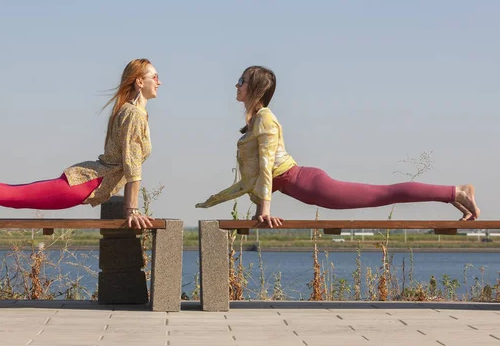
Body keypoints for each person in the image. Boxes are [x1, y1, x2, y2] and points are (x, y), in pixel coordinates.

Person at [196, 65, 480, 227]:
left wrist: (263, 211)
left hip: (309, 183)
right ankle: (453, 193)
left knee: (382, 194)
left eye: (241, 81)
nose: (236, 86)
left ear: (254, 88)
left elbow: (268, 169)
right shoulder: (257, 120)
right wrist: (213, 201)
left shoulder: (265, 119)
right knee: (382, 195)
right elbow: (254, 178)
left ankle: (456, 191)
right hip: (303, 185)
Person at [0, 58, 160, 229]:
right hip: (86, 183)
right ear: (139, 81)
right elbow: (132, 166)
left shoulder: (131, 112)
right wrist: (132, 210)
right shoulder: (134, 114)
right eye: (154, 77)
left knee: (14, 194)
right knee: (13, 195)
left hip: (87, 181)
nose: (159, 82)